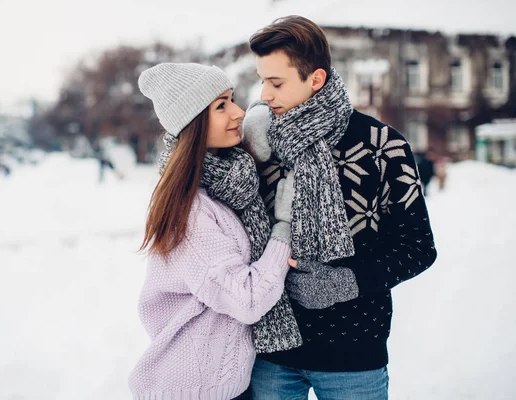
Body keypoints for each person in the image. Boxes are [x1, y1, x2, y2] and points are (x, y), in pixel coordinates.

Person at [241, 16, 438, 399]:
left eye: (276, 83)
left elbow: (418, 248)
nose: (264, 94)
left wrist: (347, 281)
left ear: (315, 79)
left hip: (354, 353)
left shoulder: (382, 145)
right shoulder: (260, 146)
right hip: (271, 350)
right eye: (262, 80)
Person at [128, 62, 297, 400]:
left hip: (220, 384)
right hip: (193, 388)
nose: (238, 112)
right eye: (221, 106)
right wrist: (282, 231)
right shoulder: (190, 210)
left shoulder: (223, 188)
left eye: (233, 99)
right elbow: (246, 298)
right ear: (193, 123)